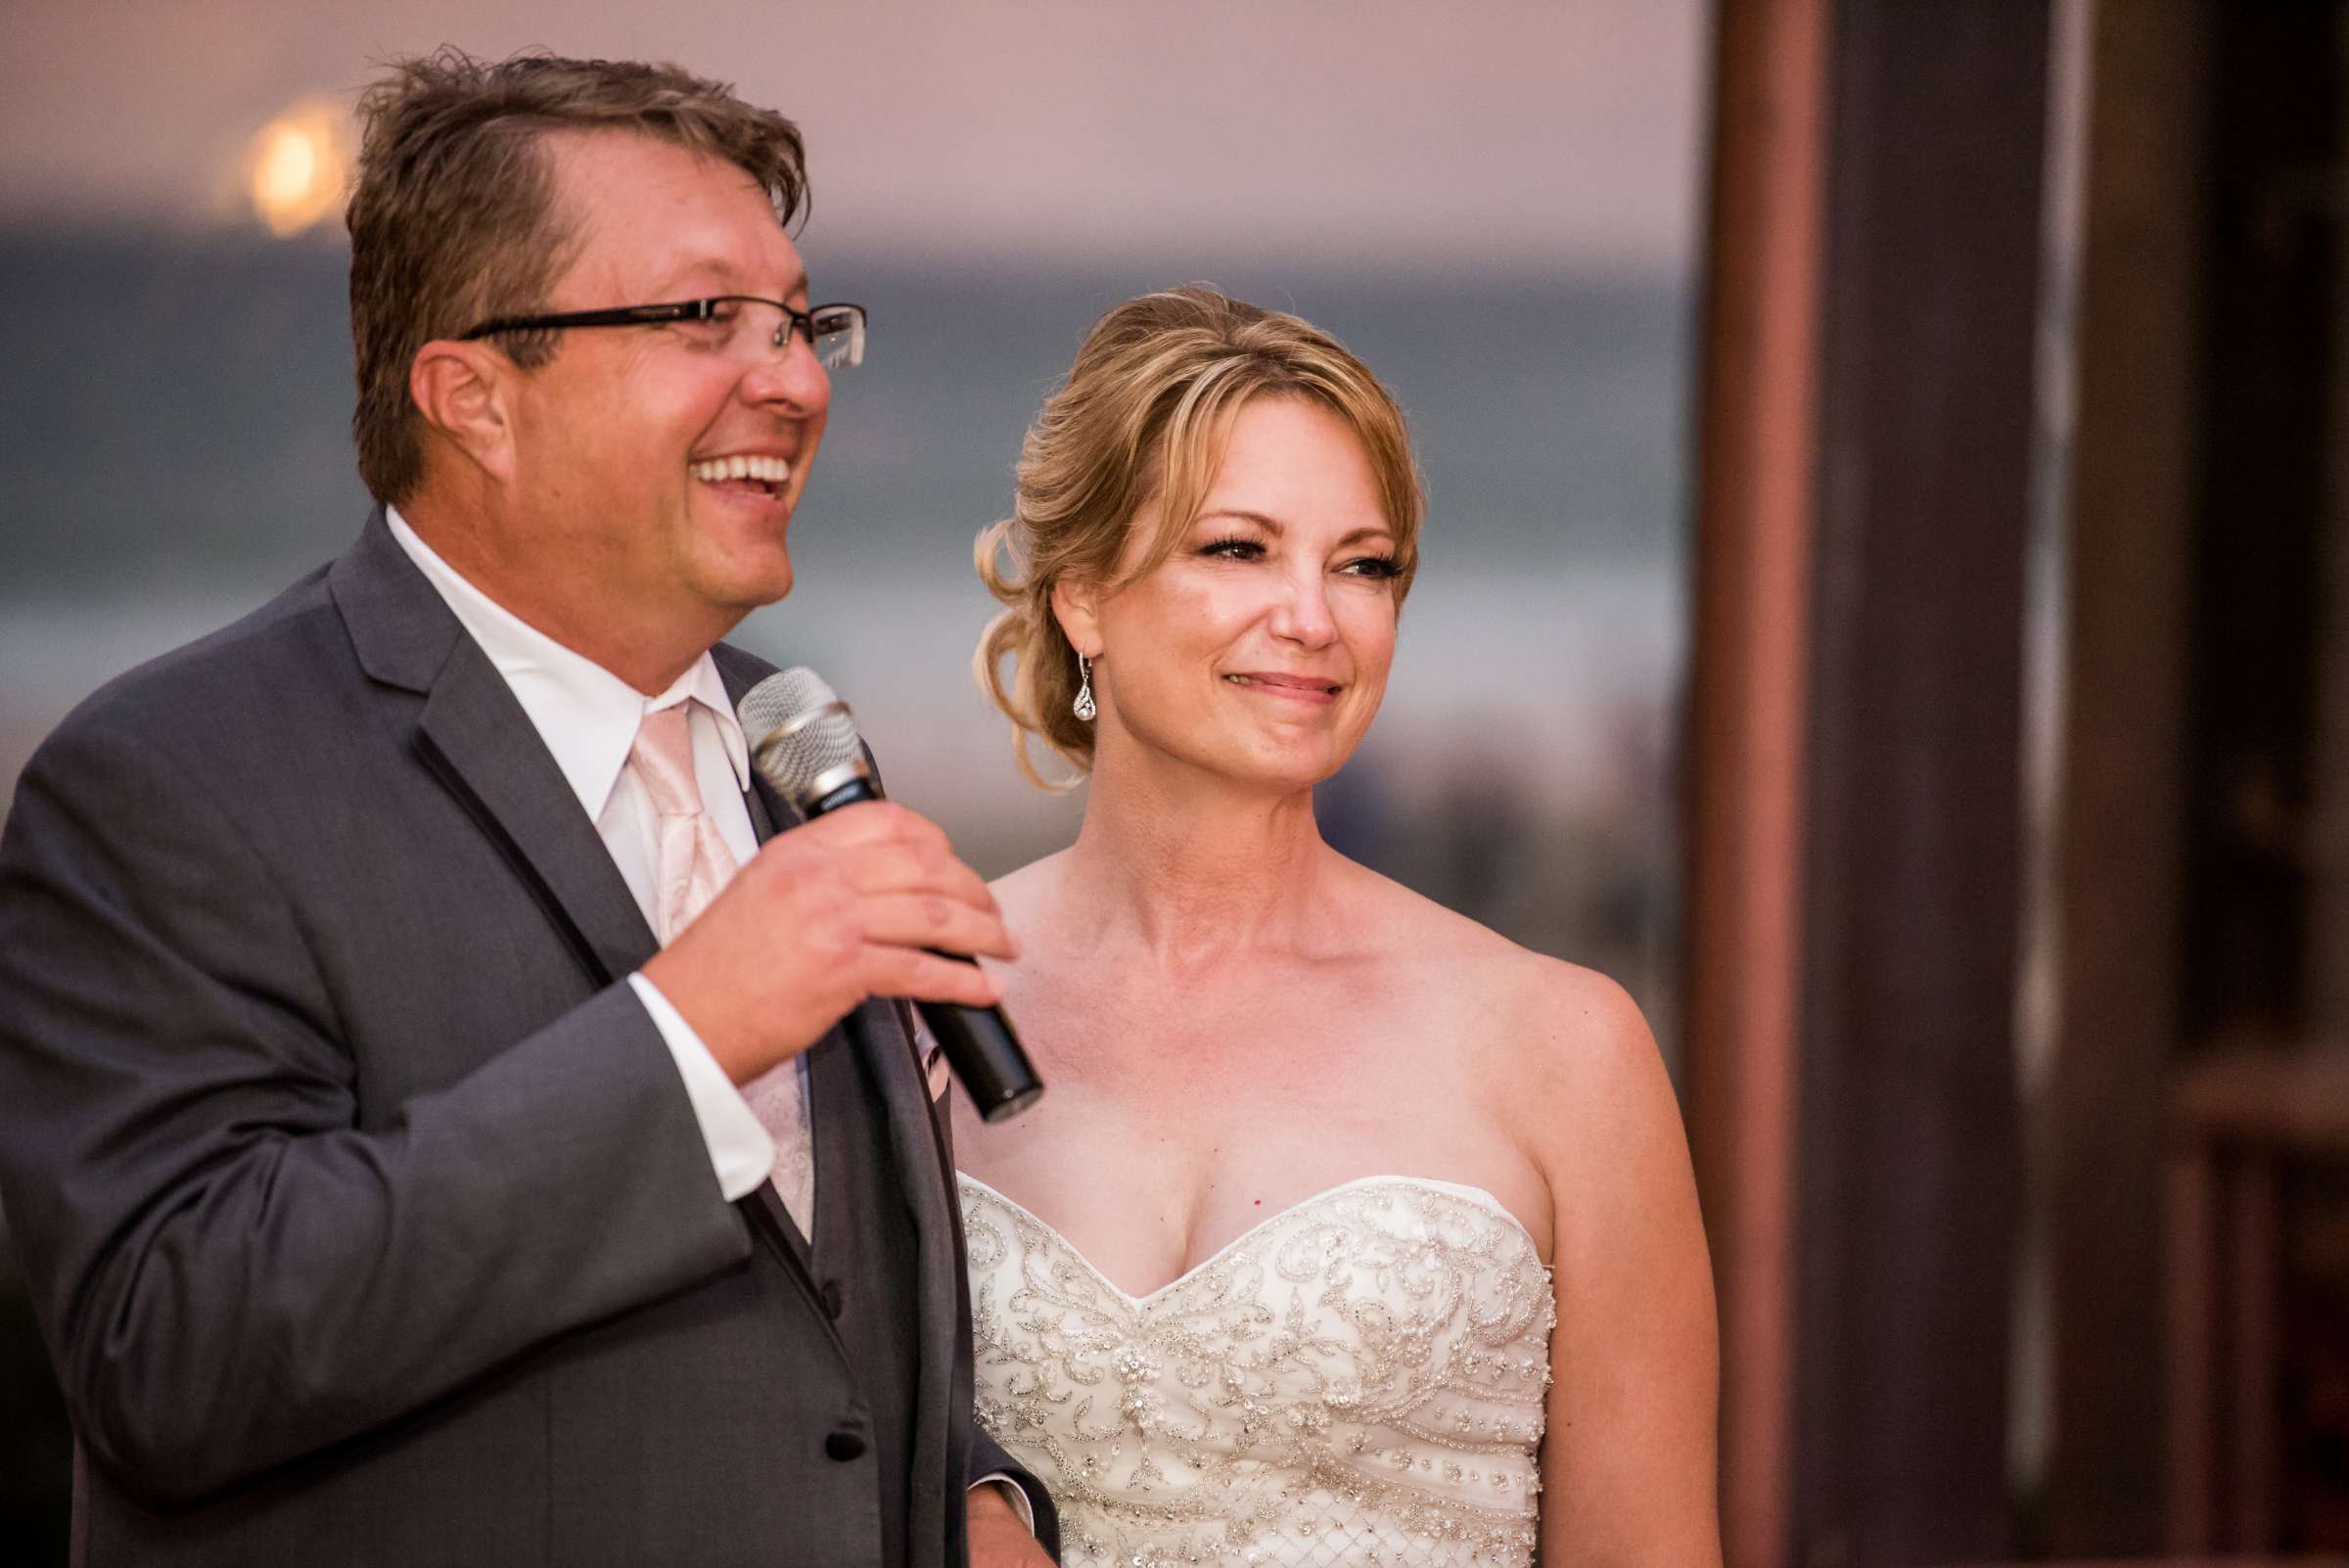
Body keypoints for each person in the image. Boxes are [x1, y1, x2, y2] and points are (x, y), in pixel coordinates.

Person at [0, 51, 1056, 1568]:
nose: (800, 379)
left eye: (801, 321)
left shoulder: (791, 739)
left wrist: (975, 1495)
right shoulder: (167, 784)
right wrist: (690, 1033)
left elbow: (832, 1324)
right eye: (706, 320)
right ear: (476, 398)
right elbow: (170, 1347)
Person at [952, 287, 1720, 1567]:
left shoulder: (1564, 1047)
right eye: (1241, 548)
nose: (1316, 617)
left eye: (1363, 565)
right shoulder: (919, 1000)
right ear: (1081, 593)